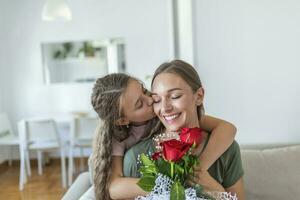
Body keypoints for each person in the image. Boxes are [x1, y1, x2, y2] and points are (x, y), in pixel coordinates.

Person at [90, 72, 237, 200]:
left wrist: (199, 169)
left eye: (145, 91)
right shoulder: (118, 138)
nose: (151, 100)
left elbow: (227, 128)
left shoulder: (167, 116)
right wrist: (170, 183)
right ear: (122, 120)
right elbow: (114, 188)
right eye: (140, 104)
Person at [123, 60, 245, 199]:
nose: (165, 108)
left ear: (199, 96)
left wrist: (214, 189)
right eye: (157, 100)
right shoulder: (136, 157)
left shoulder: (227, 150)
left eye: (175, 96)